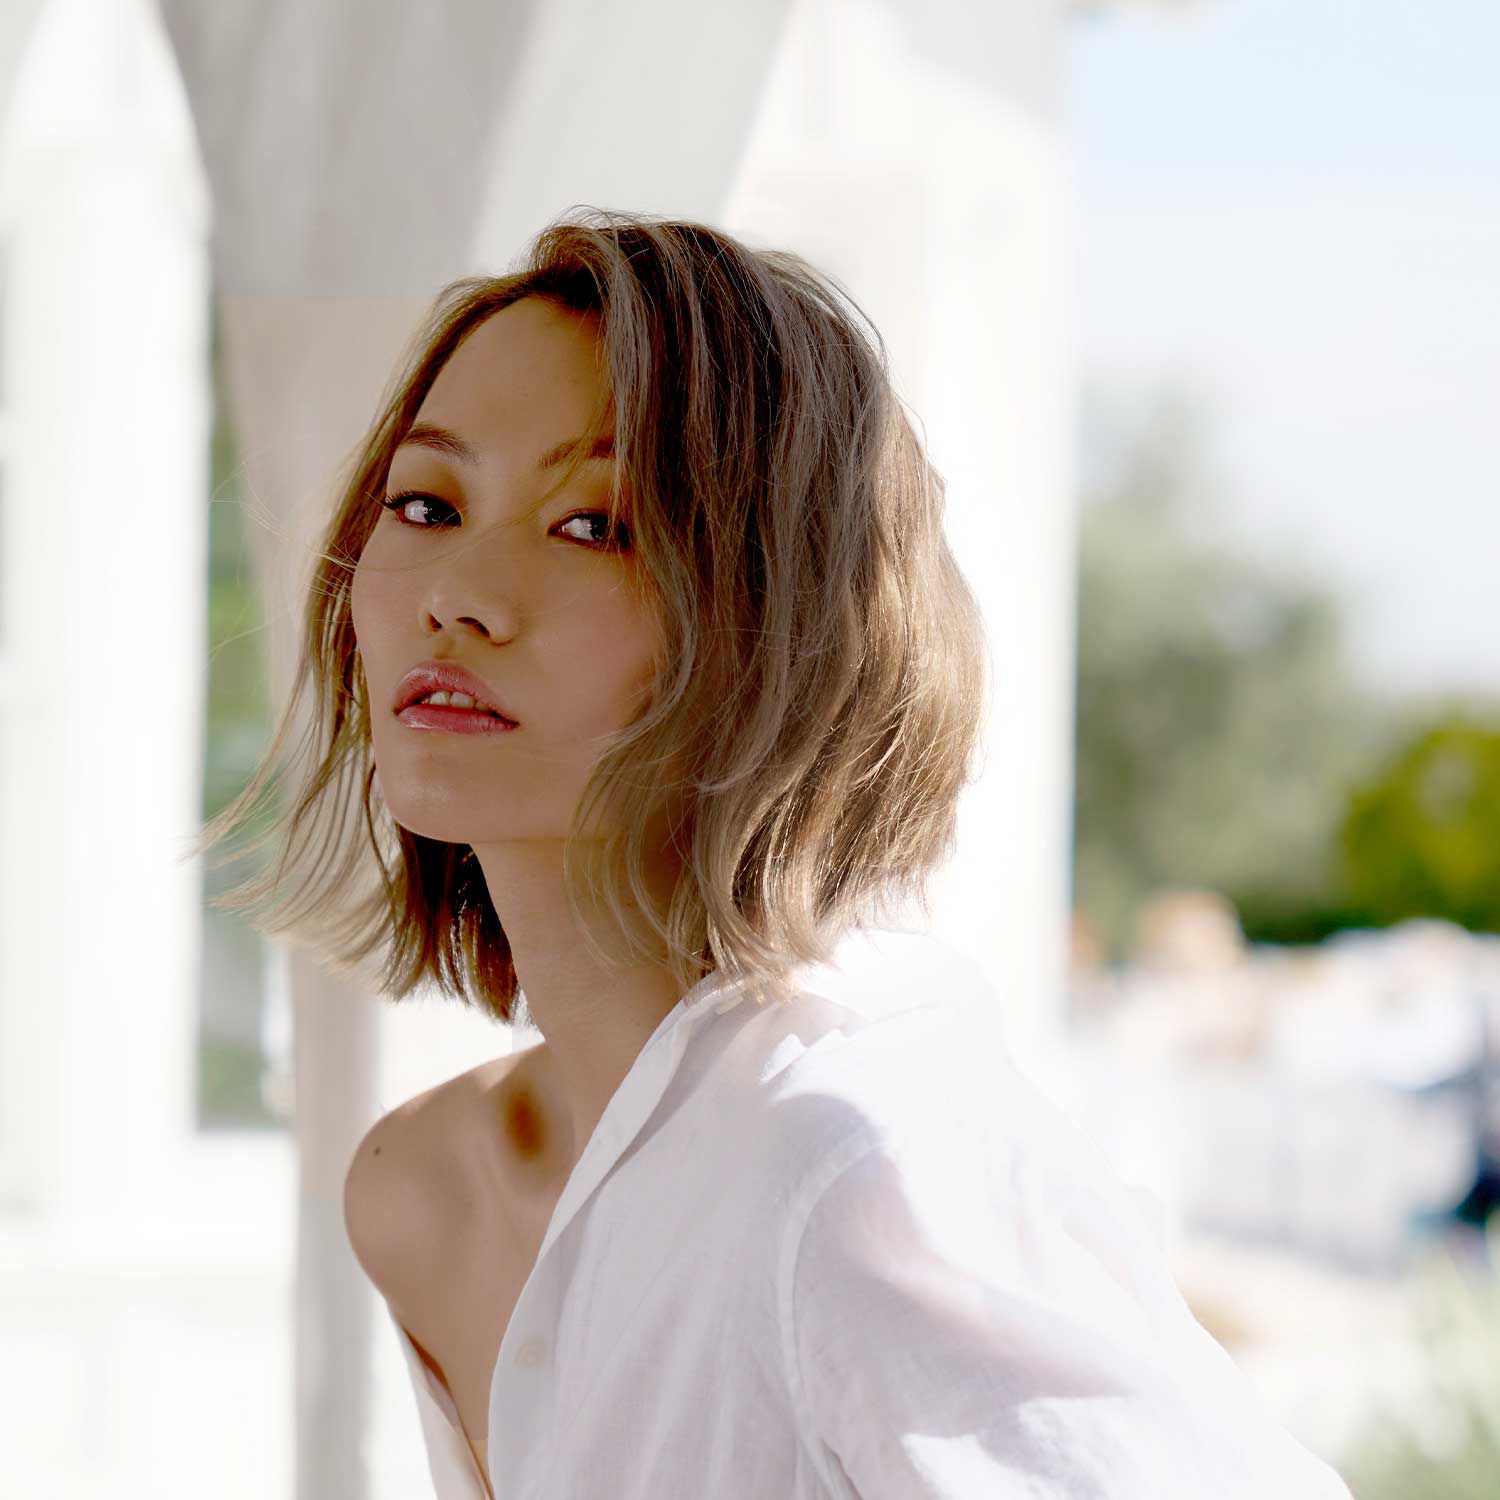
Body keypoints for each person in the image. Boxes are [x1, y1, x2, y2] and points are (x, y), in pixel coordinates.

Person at [198, 209, 1355, 1498]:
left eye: (596, 526)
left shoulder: (863, 1168)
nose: (456, 593)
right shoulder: (421, 1191)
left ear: (774, 625)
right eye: (427, 502)